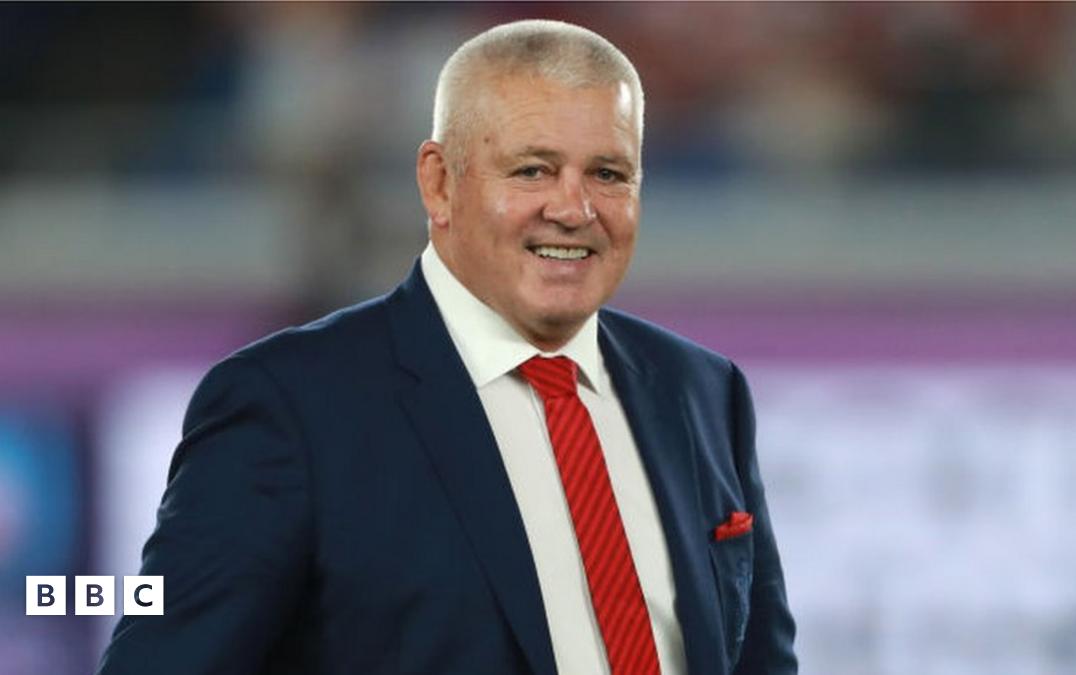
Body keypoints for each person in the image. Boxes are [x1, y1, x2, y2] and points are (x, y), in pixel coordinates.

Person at [97, 19, 797, 675]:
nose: (573, 209)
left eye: (608, 174)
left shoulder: (703, 391)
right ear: (439, 182)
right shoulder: (290, 406)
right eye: (532, 170)